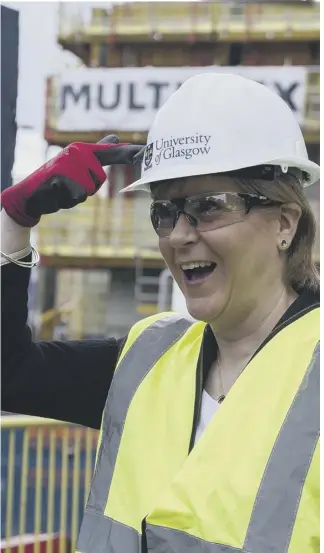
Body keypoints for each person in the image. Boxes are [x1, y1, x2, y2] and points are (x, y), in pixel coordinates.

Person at [1, 73, 320, 553]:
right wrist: (12, 223)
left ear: (284, 222)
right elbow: (8, 372)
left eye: (209, 207)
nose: (177, 235)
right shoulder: (146, 360)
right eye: (165, 212)